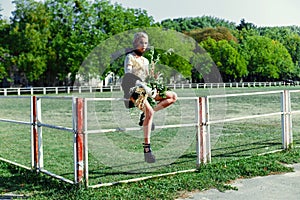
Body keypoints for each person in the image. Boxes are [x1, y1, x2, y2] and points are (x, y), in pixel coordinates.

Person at [122, 32, 177, 163]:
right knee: (150, 113)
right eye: (141, 42)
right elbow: (128, 75)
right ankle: (147, 150)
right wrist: (141, 84)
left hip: (147, 88)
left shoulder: (146, 60)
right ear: (135, 43)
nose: (144, 45)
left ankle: (144, 115)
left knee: (172, 96)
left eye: (146, 43)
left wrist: (154, 78)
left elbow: (147, 77)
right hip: (133, 89)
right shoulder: (130, 57)